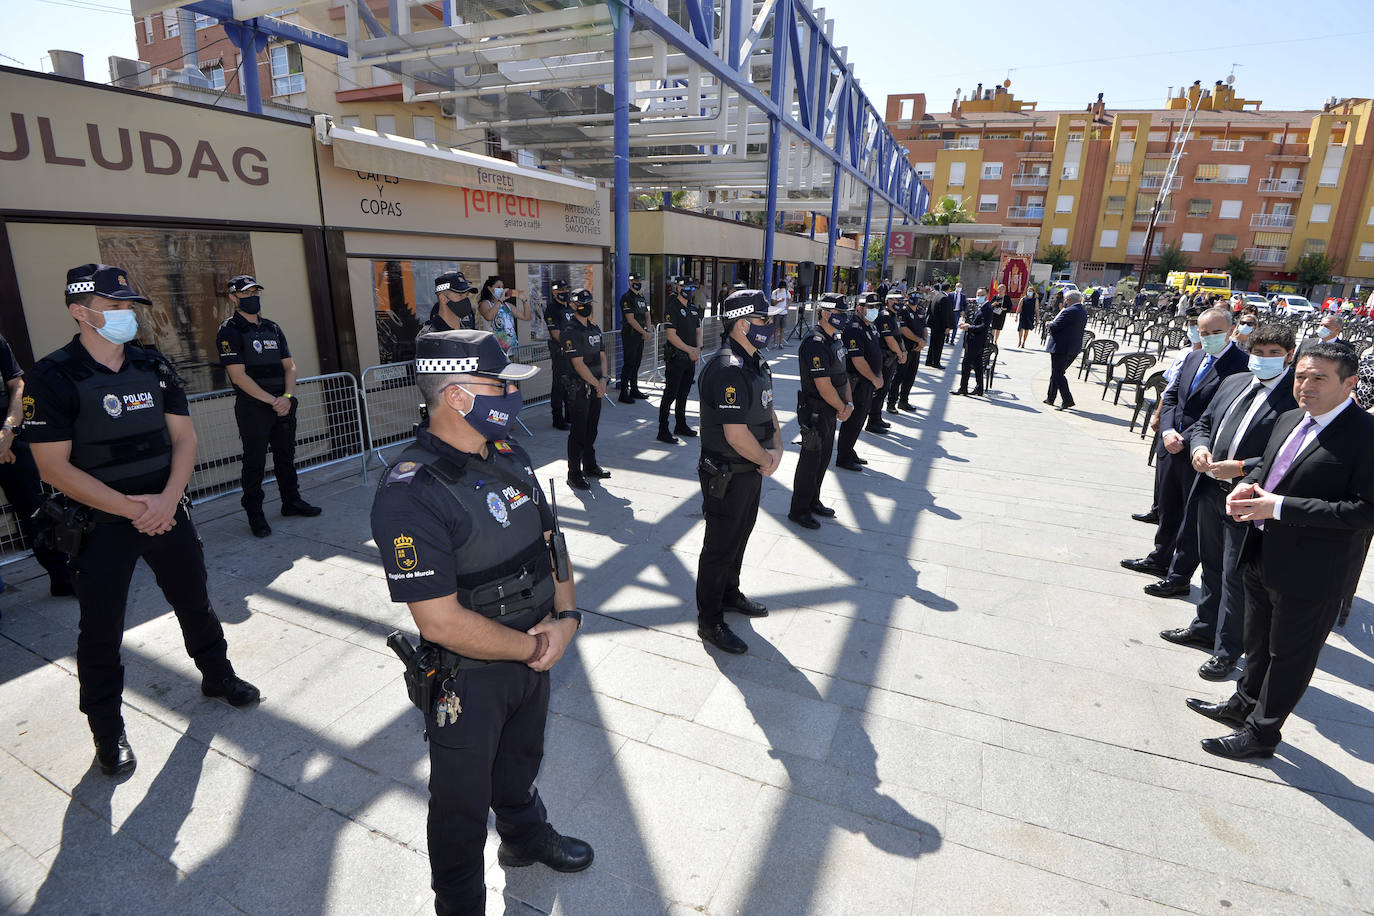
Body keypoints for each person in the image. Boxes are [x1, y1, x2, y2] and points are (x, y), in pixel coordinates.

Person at [370, 329, 593, 913]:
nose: (512, 396)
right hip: (470, 675)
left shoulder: (507, 455)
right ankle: (461, 902)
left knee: (520, 762)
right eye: (500, 386)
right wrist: (531, 648)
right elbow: (440, 621)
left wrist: (566, 619)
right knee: (460, 803)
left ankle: (523, 839)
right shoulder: (410, 493)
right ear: (459, 397)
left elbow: (552, 543)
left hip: (535, 649)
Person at [27, 263, 259, 777]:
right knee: (101, 629)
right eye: (115, 307)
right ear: (80, 311)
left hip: (167, 510)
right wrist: (136, 509)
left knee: (194, 601)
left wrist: (168, 500)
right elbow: (52, 466)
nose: (126, 315)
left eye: (129, 306)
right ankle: (107, 730)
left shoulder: (153, 366)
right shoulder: (52, 376)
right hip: (100, 526)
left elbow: (185, 438)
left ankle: (216, 675)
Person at [1190, 342, 1374, 759]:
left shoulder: (1365, 435)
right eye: (1301, 376)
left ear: (1350, 383)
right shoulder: (1292, 418)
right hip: (1261, 554)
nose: (1305, 386)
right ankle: (1242, 706)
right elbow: (1269, 468)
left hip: (1313, 570)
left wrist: (1280, 507)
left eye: (1318, 378)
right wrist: (1247, 483)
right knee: (1256, 642)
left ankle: (1262, 734)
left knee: (1289, 655)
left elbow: (1365, 511)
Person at [1161, 324, 1297, 680]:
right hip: (1208, 490)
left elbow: (1284, 455)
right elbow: (1205, 423)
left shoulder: (1294, 398)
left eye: (1274, 354)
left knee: (1236, 579)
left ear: (1289, 357)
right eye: (1259, 352)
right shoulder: (1235, 381)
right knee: (1211, 566)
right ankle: (1205, 626)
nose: (1264, 360)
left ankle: (1227, 651)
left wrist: (1238, 468)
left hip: (1246, 498)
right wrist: (1200, 447)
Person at [1122, 307, 1248, 595]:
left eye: (1215, 332)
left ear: (1230, 330)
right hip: (1171, 445)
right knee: (1168, 507)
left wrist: (1185, 437)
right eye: (1203, 333)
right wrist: (1167, 431)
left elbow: (1220, 412)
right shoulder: (1193, 357)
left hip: (1200, 451)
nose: (1208, 338)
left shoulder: (1240, 365)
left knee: (1192, 517)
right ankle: (1159, 558)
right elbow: (1172, 396)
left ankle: (1178, 577)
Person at [694, 290, 782, 655]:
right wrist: (766, 457)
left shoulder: (754, 361)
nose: (771, 324)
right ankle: (710, 620)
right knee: (719, 546)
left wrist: (775, 449)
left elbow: (768, 409)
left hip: (750, 469)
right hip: (728, 473)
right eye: (764, 318)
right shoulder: (728, 369)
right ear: (743, 323)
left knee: (740, 536)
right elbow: (734, 433)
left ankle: (730, 594)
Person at [216, 275, 321, 538]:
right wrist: (272, 400)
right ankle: (255, 513)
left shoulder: (272, 328)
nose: (252, 297)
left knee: (286, 455)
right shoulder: (229, 330)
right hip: (254, 407)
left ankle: (291, 501)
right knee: (255, 461)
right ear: (233, 297)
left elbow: (290, 366)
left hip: (282, 404)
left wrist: (286, 396)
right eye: (246, 293)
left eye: (255, 292)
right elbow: (238, 376)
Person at [0, 331, 74, 597]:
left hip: (11, 438)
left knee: (37, 512)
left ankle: (62, 576)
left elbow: (17, 385)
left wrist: (8, 432)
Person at [789, 293, 852, 529]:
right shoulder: (814, 342)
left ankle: (813, 500)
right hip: (815, 411)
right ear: (824, 313)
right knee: (810, 461)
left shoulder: (834, 339)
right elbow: (823, 385)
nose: (842, 318)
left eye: (844, 314)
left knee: (823, 458)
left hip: (830, 410)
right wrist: (842, 407)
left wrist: (849, 404)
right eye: (838, 314)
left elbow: (841, 375)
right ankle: (799, 509)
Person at [561, 289, 610, 490]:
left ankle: (590, 465)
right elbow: (578, 364)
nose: (586, 306)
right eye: (582, 303)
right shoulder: (570, 330)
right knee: (578, 432)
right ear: (573, 306)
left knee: (592, 429)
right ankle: (574, 473)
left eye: (589, 302)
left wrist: (604, 380)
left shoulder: (594, 327)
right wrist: (596, 384)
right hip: (579, 388)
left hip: (596, 386)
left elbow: (602, 355)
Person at [836, 293, 885, 471]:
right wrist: (875, 378)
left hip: (868, 382)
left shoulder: (870, 327)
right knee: (854, 420)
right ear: (859, 309)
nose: (874, 311)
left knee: (860, 419)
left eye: (876, 307)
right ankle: (843, 456)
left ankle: (849, 450)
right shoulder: (854, 329)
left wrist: (878, 375)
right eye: (870, 307)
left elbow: (875, 354)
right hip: (858, 382)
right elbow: (858, 360)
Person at [658, 276, 701, 444]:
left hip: (690, 359)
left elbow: (698, 330)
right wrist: (690, 350)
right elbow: (671, 335)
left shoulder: (692, 307)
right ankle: (663, 430)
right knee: (670, 394)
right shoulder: (672, 307)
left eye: (691, 287)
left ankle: (680, 425)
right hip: (676, 358)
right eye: (685, 286)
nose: (688, 290)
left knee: (684, 394)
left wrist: (698, 349)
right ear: (677, 287)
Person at [1043, 289, 1088, 409]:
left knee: (1058, 374)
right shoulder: (1083, 311)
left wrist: (1049, 324)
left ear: (1068, 300)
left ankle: (1067, 399)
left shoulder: (1068, 311)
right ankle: (1050, 397)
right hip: (1073, 347)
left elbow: (1056, 327)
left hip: (1061, 347)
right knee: (1056, 373)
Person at [867, 292, 906, 429]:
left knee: (884, 389)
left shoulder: (894, 316)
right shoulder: (884, 316)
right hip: (884, 358)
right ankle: (872, 421)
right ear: (889, 301)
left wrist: (904, 351)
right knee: (879, 390)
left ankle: (877, 417)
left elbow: (898, 337)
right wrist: (900, 353)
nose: (900, 303)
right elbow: (889, 339)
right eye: (897, 300)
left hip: (892, 357)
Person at [542, 281, 574, 430]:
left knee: (571, 385)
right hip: (560, 352)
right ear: (554, 292)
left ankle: (569, 415)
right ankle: (558, 418)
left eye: (566, 288)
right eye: (561, 289)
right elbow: (555, 333)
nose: (564, 291)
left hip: (573, 351)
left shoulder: (570, 307)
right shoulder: (551, 309)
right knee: (559, 385)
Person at [617, 272, 651, 403]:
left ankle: (634, 389)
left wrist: (648, 330)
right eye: (635, 280)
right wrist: (644, 332)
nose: (638, 282)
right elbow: (630, 319)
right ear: (630, 282)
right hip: (630, 335)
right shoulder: (626, 298)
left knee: (637, 363)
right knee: (629, 364)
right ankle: (623, 393)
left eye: (639, 280)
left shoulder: (641, 297)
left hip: (641, 334)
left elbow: (647, 314)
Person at [952, 287, 993, 397]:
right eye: (978, 294)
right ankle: (979, 388)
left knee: (966, 363)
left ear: (987, 295)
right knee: (978, 365)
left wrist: (969, 327)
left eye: (982, 294)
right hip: (974, 339)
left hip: (977, 341)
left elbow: (984, 326)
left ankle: (963, 388)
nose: (979, 297)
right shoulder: (980, 306)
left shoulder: (987, 308)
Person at [477, 275, 531, 355]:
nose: (501, 290)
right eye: (498, 287)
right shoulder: (485, 304)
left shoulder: (507, 305)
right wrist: (500, 300)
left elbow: (526, 317)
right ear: (490, 289)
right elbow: (489, 317)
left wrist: (524, 300)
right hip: (494, 349)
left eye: (502, 287)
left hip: (511, 349)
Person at [893, 290, 927, 410]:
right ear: (907, 296)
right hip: (905, 348)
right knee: (899, 375)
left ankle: (904, 401)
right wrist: (918, 340)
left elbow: (924, 327)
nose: (916, 298)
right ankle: (892, 402)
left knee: (911, 376)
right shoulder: (903, 310)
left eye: (918, 295)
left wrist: (923, 342)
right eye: (913, 295)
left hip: (917, 349)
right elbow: (903, 329)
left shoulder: (921, 311)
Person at [420, 271, 478, 335]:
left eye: (467, 295)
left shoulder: (468, 332)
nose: (466, 299)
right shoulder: (430, 336)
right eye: (460, 295)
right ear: (443, 298)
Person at [925, 283, 952, 369]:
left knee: (932, 343)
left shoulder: (936, 296)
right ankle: (936, 362)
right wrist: (947, 326)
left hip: (933, 325)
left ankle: (929, 360)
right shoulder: (944, 298)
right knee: (939, 345)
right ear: (948, 289)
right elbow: (945, 314)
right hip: (940, 326)